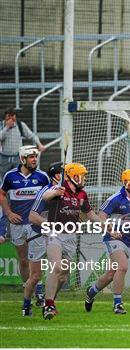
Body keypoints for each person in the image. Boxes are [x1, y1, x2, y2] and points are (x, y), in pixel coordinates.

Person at [34, 163, 107, 319]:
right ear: (74, 176)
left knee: (64, 276)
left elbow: (91, 214)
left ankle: (51, 300)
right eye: (83, 175)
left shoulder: (82, 194)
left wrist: (107, 227)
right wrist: (54, 193)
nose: (85, 178)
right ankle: (48, 305)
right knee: (56, 267)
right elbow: (46, 197)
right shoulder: (58, 189)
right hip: (55, 233)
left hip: (71, 237)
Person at [84, 169, 130, 314]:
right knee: (122, 266)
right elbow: (101, 217)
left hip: (129, 240)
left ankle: (91, 292)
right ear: (126, 183)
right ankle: (117, 304)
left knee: (111, 273)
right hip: (113, 238)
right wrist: (110, 231)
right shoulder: (114, 199)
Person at [0, 146, 50, 316]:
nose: (34, 159)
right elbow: (1, 194)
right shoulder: (10, 176)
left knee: (35, 259)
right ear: (22, 159)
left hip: (35, 225)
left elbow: (51, 195)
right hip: (17, 224)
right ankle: (28, 288)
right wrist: (8, 213)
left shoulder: (42, 177)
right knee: (23, 260)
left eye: (35, 156)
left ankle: (39, 289)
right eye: (30, 157)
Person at [25, 162, 64, 316]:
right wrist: (50, 225)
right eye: (64, 173)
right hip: (38, 235)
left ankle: (49, 303)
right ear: (57, 175)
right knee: (35, 276)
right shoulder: (45, 192)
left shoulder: (66, 191)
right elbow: (33, 216)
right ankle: (26, 305)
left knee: (62, 274)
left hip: (53, 237)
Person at [0, 108, 46, 239]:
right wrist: (6, 127)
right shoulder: (2, 126)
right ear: (5, 117)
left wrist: (39, 144)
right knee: (7, 192)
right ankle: (4, 230)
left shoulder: (20, 125)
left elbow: (31, 135)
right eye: (9, 117)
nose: (11, 119)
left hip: (17, 157)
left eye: (13, 117)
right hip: (4, 158)